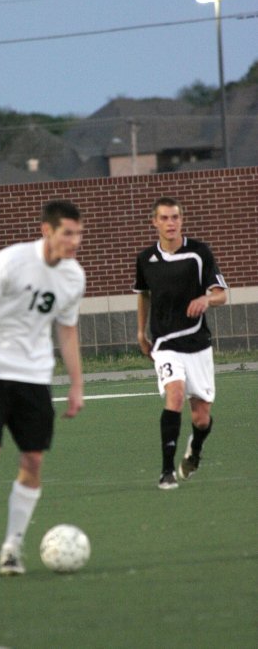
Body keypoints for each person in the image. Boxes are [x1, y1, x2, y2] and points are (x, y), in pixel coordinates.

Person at [0, 199, 85, 574]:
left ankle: (13, 545)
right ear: (47, 231)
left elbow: (67, 331)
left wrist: (76, 385)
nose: (75, 241)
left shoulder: (74, 277)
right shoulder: (11, 261)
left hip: (35, 377)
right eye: (67, 233)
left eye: (78, 233)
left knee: (32, 460)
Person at [133, 197, 227, 490]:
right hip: (165, 343)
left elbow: (221, 295)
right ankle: (166, 472)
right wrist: (140, 332)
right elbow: (144, 294)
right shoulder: (146, 259)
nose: (170, 223)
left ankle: (194, 451)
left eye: (175, 217)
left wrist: (205, 298)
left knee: (201, 418)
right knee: (174, 395)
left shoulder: (199, 253)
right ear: (155, 223)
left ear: (181, 220)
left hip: (198, 344)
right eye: (164, 218)